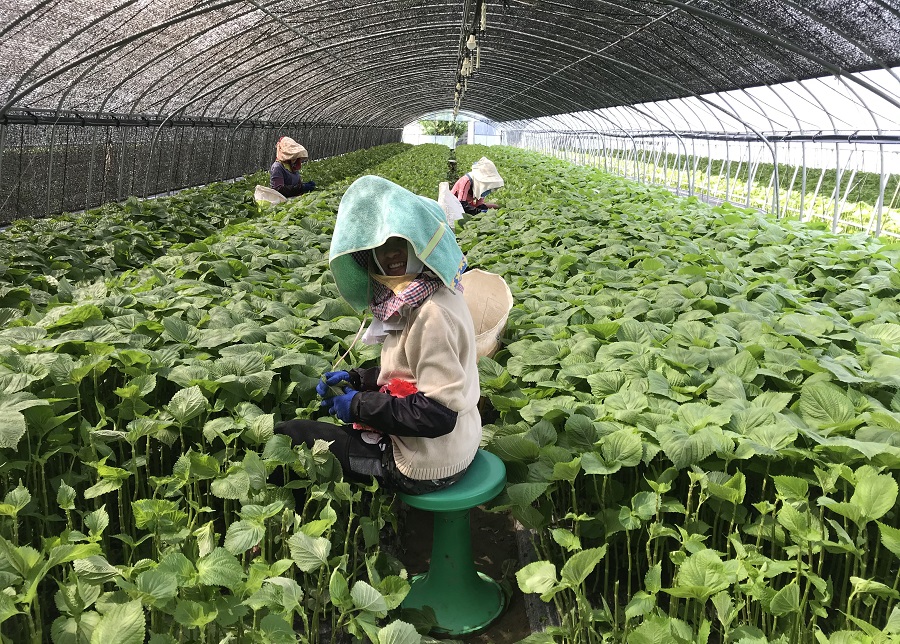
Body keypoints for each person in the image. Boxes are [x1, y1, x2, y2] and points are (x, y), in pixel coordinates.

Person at [274, 175, 481, 495]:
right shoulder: (434, 291)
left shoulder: (432, 315)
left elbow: (438, 414)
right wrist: (359, 380)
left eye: (400, 241)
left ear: (420, 242)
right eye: (379, 246)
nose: (390, 254)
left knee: (292, 436)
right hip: (457, 444)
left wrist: (359, 406)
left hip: (425, 464)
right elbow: (414, 370)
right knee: (332, 432)